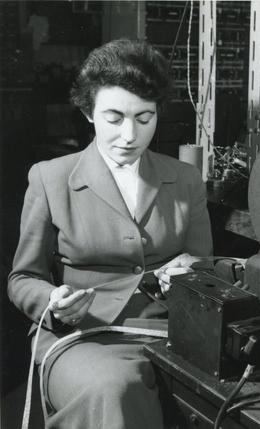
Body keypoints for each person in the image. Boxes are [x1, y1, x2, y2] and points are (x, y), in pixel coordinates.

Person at [8, 38, 213, 429]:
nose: (129, 135)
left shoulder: (186, 179)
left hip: (171, 333)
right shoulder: (50, 179)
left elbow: (204, 269)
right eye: (114, 118)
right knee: (114, 389)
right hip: (82, 335)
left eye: (144, 118)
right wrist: (53, 298)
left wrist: (191, 272)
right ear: (89, 112)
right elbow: (21, 279)